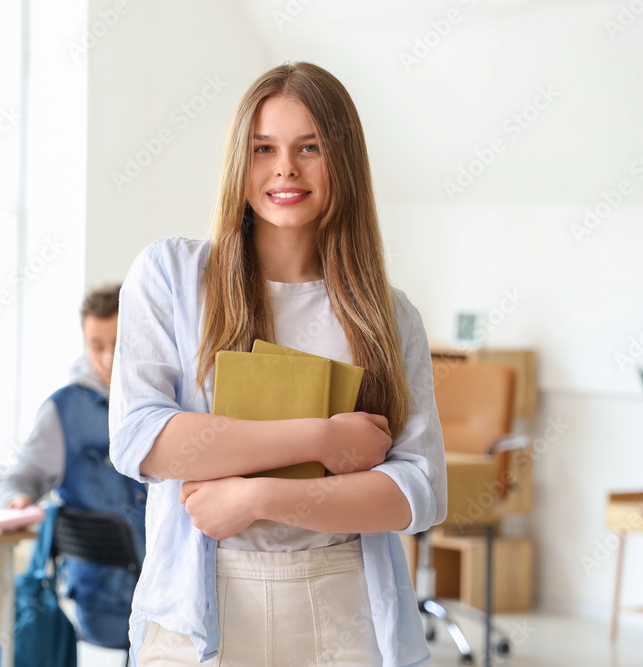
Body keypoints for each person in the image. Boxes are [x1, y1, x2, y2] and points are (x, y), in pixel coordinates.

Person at [109, 62, 448, 666]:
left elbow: (416, 492)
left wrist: (257, 497)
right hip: (199, 608)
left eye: (309, 147)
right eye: (264, 148)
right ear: (240, 160)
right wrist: (323, 438)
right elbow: (146, 441)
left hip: (343, 606)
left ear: (343, 161)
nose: (285, 168)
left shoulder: (388, 315)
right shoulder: (172, 276)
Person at [0, 284, 147, 649]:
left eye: (119, 343)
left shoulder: (171, 399)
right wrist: (15, 499)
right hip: (108, 602)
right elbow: (18, 478)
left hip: (175, 593)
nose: (108, 359)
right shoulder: (63, 410)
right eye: (96, 345)